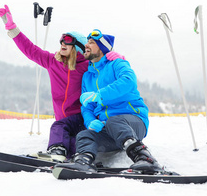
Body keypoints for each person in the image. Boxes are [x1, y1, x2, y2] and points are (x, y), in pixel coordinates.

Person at [0, 6, 124, 161]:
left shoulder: (86, 66)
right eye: (62, 39)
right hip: (63, 120)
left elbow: (104, 67)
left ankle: (70, 154)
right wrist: (12, 28)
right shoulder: (53, 62)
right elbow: (30, 49)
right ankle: (61, 152)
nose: (62, 43)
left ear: (77, 47)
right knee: (63, 132)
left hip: (83, 117)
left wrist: (117, 57)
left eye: (68, 40)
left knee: (73, 134)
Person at [55, 29, 163, 173]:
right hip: (111, 130)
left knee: (115, 121)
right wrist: (90, 122)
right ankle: (83, 161)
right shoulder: (88, 76)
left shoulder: (117, 64)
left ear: (102, 47)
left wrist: (100, 95)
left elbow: (128, 81)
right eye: (87, 42)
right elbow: (87, 106)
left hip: (133, 122)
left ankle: (145, 158)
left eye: (91, 42)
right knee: (84, 134)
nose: (86, 45)